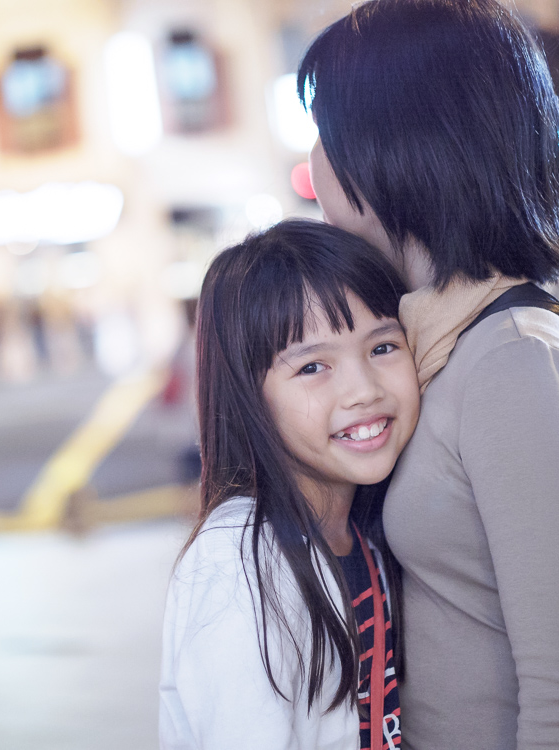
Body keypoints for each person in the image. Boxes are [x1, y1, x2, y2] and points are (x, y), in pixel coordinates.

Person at [298, 2, 559, 749]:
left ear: (391, 147)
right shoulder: (431, 345)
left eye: (325, 130)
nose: (313, 162)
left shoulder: (514, 358)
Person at [159, 219, 420, 749]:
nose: (362, 390)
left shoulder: (362, 534)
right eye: (313, 367)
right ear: (249, 398)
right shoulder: (237, 564)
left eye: (383, 348)